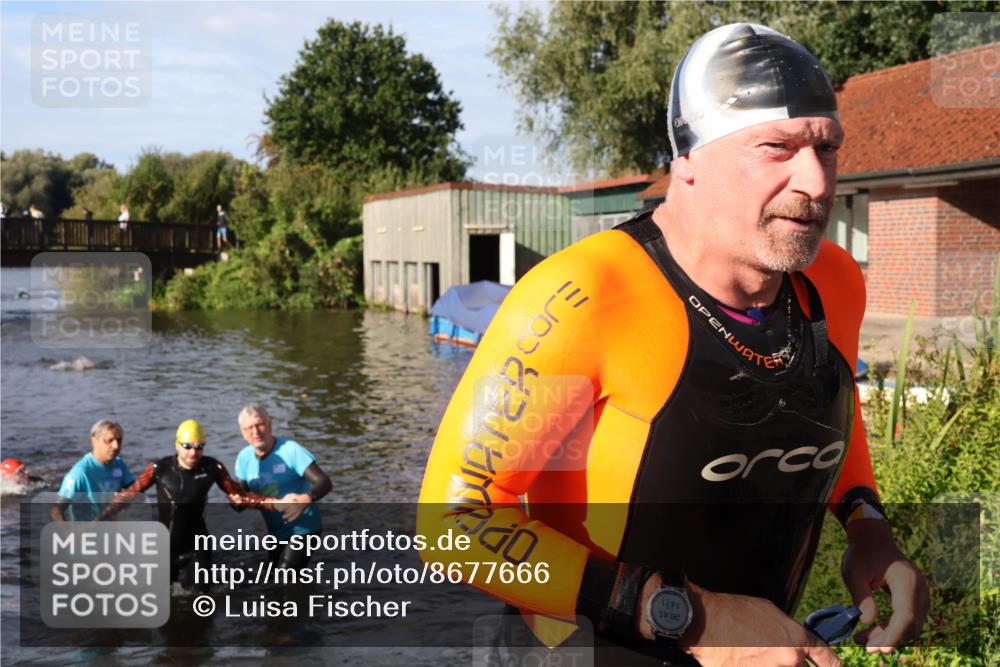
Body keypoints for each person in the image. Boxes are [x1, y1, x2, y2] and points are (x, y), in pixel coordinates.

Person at [418, 23, 928, 667]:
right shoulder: (581, 298)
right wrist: (697, 619)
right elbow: (453, 527)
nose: (817, 182)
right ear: (688, 161)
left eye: (826, 148)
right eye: (777, 147)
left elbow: (833, 416)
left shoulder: (834, 282)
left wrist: (868, 528)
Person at [100, 419, 301, 591]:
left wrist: (277, 503)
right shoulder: (159, 468)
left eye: (199, 447)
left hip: (197, 547)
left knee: (202, 599)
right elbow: (131, 493)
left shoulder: (212, 467)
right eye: (187, 446)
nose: (193, 453)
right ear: (177, 445)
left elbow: (240, 496)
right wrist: (98, 522)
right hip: (164, 548)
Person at [234, 404, 331, 569]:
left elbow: (325, 483)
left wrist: (306, 498)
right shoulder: (244, 458)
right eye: (249, 428)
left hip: (305, 529)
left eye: (260, 424)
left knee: (285, 576)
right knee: (271, 577)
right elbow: (239, 504)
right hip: (276, 532)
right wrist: (235, 497)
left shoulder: (291, 450)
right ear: (243, 433)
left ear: (269, 425)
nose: (256, 432)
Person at [53, 420, 134, 522]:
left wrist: (127, 497)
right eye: (109, 440)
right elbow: (56, 510)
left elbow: (138, 491)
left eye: (119, 440)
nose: (116, 446)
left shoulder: (119, 464)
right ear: (94, 442)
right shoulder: (80, 473)